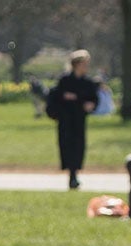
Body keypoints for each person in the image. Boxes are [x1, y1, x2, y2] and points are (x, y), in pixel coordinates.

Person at [49, 51, 97, 190]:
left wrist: (91, 105)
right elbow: (54, 97)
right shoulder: (64, 81)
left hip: (79, 119)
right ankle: (72, 174)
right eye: (84, 64)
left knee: (78, 146)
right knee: (67, 145)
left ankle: (74, 173)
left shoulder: (88, 83)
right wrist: (65, 97)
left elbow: (93, 98)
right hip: (66, 119)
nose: (86, 67)